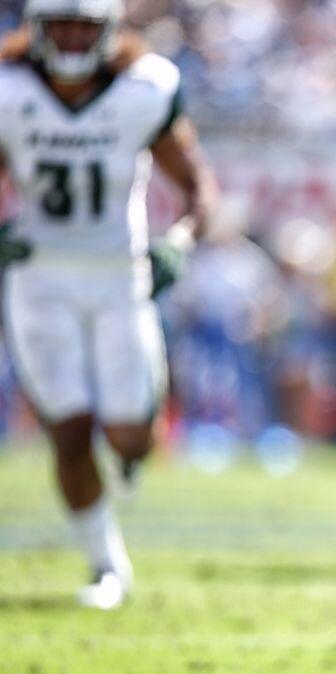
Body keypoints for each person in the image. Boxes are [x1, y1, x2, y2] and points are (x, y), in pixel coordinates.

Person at [0, 0, 216, 609]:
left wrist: (179, 239)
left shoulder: (144, 87)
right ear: (36, 30)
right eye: (58, 25)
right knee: (67, 428)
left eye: (83, 25)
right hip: (38, 276)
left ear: (109, 30)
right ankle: (106, 566)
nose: (70, 38)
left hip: (121, 275)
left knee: (129, 436)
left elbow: (198, 183)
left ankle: (131, 450)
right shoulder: (10, 88)